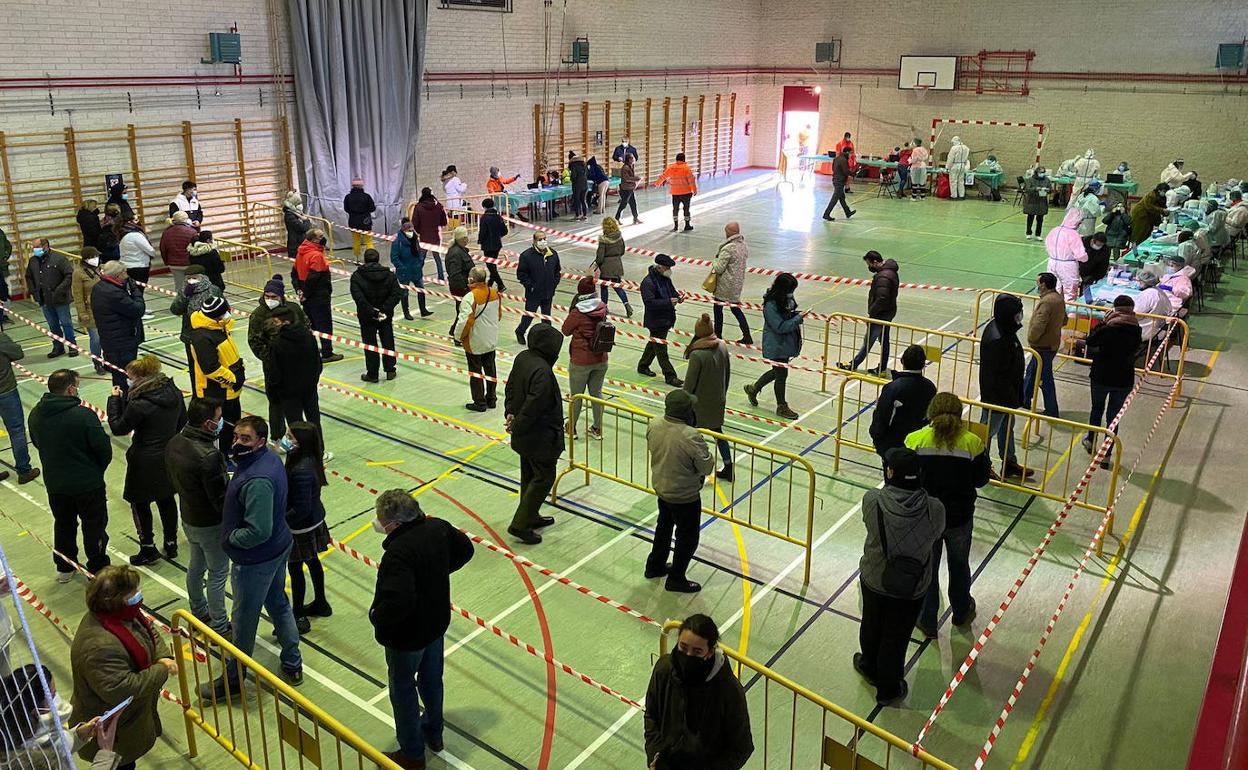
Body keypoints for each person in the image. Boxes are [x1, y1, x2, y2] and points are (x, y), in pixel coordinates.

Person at [198, 415, 303, 698]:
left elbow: (258, 530)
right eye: (236, 437)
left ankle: (233, 680)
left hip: (256, 558)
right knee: (278, 601)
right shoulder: (268, 458)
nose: (237, 443)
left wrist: (230, 538)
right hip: (279, 546)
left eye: (245, 439)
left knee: (244, 621)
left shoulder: (258, 480)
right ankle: (293, 661)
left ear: (259, 441)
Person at [370, 490, 473, 770]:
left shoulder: (398, 553)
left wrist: (376, 616)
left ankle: (412, 754)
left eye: (380, 518)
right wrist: (437, 575)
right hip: (436, 623)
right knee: (431, 680)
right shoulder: (438, 528)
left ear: (393, 523)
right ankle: (434, 733)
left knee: (403, 690)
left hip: (407, 636)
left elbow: (397, 602)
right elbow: (466, 550)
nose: (377, 522)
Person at [853, 447, 945, 706]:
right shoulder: (934, 509)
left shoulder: (872, 501)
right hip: (911, 586)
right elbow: (937, 534)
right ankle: (889, 688)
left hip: (874, 577)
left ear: (890, 472)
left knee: (871, 623)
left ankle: (869, 666)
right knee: (897, 636)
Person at [69, 566, 176, 768]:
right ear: (117, 600)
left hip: (131, 720)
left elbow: (148, 630)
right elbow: (122, 688)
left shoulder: (118, 615)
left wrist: (163, 656)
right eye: (133, 593)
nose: (138, 596)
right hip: (113, 731)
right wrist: (162, 669)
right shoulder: (100, 646)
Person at [907, 394, 991, 638]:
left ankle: (927, 619)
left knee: (928, 568)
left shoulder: (915, 440)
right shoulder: (972, 443)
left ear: (931, 412)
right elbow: (981, 480)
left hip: (926, 517)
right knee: (959, 564)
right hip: (959, 517)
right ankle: (962, 609)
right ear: (959, 413)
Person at [28, 370, 112, 582]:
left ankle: (65, 567)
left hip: (56, 483)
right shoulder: (83, 415)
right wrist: (94, 470)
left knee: (63, 524)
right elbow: (103, 449)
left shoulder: (36, 414)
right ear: (71, 389)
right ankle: (98, 566)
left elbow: (37, 443)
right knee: (94, 526)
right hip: (87, 484)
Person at [106, 355, 187, 566]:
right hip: (168, 453)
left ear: (141, 377)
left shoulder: (140, 403)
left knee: (140, 503)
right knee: (167, 499)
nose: (127, 381)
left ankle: (148, 547)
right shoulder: (173, 391)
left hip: (144, 458)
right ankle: (171, 543)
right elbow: (182, 421)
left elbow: (118, 427)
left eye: (130, 377)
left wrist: (114, 400)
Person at [644, 614, 753, 770]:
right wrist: (655, 756)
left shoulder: (728, 690)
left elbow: (742, 747)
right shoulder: (664, 669)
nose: (688, 656)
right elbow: (651, 715)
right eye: (683, 647)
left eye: (697, 652)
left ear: (709, 652)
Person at [165, 397, 232, 636]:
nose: (221, 421)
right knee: (217, 573)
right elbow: (219, 498)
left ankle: (198, 609)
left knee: (196, 565)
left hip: (188, 516)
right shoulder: (208, 456)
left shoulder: (174, 442)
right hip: (211, 523)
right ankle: (220, 625)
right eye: (217, 418)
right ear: (207, 424)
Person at [645, 391, 715, 594]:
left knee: (664, 527)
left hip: (662, 487)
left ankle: (655, 566)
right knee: (687, 537)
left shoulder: (654, 424)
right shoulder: (690, 435)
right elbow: (706, 466)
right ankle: (676, 578)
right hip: (684, 495)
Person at [505, 324, 565, 545]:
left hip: (525, 434)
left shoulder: (523, 358)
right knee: (544, 477)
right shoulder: (542, 371)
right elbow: (534, 405)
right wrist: (518, 423)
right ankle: (520, 524)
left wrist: (510, 413)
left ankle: (530, 515)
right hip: (539, 436)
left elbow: (510, 386)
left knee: (529, 475)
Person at [284, 421, 332, 633]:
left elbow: (301, 509)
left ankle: (298, 614)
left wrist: (281, 521)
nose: (286, 439)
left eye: (290, 436)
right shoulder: (308, 459)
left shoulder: (302, 469)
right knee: (312, 562)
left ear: (301, 442)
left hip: (302, 527)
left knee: (295, 569)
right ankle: (321, 602)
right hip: (313, 521)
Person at [1083, 295, 1141, 469]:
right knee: (1114, 418)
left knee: (1097, 409)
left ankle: (1091, 441)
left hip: (1102, 376)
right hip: (1123, 379)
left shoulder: (1108, 328)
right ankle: (1106, 455)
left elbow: (1090, 340)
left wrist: (1102, 323)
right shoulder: (1136, 330)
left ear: (1115, 309)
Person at [978, 294, 1033, 480]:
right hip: (997, 398)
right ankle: (980, 466)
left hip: (1007, 395)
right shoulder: (998, 339)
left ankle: (1009, 463)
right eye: (1017, 314)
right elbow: (997, 376)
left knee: (1007, 428)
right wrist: (1008, 397)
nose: (1020, 318)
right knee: (987, 433)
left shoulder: (1004, 331)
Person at [247, 275, 306, 439]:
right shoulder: (258, 315)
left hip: (295, 367)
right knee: (276, 404)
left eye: (274, 297)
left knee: (296, 403)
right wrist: (272, 358)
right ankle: (277, 436)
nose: (270, 300)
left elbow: (305, 330)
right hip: (273, 368)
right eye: (267, 296)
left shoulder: (294, 309)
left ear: (281, 296)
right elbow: (255, 342)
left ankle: (297, 435)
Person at [188, 294, 245, 455]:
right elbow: (210, 368)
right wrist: (233, 379)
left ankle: (230, 451)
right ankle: (222, 457)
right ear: (217, 316)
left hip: (230, 390)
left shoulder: (219, 327)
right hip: (217, 392)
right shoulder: (202, 337)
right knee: (222, 429)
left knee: (232, 424)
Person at [264, 305, 327, 449]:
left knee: (295, 425)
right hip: (309, 389)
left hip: (288, 394)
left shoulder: (277, 343)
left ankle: (301, 453)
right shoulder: (308, 336)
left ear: (285, 322)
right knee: (314, 422)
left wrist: (274, 392)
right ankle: (319, 451)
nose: (274, 325)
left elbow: (274, 371)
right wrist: (312, 381)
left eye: (276, 322)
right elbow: (317, 362)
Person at [744, 272, 803, 420]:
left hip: (785, 344)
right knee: (781, 374)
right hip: (776, 344)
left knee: (777, 372)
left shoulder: (784, 299)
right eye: (790, 290)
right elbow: (780, 327)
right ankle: (781, 406)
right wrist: (797, 320)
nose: (792, 294)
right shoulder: (770, 305)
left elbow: (787, 315)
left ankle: (754, 388)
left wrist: (794, 313)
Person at [562, 275, 609, 441]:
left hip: (581, 359)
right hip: (601, 357)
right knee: (596, 394)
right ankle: (597, 428)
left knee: (577, 395)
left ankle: (572, 428)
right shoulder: (603, 307)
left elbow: (565, 330)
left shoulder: (577, 312)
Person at [869, 345, 936, 461]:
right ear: (923, 364)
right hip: (918, 446)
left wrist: (878, 441)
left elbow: (881, 418)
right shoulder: (930, 387)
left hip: (893, 447)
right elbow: (930, 417)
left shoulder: (892, 388)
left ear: (902, 361)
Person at [840, 251, 899, 375]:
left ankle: (853, 365)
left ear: (875, 262)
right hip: (888, 312)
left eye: (869, 264)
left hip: (880, 314)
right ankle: (882, 368)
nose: (869, 267)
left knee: (869, 340)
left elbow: (882, 298)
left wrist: (872, 312)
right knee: (884, 340)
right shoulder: (890, 272)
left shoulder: (883, 277)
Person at [90, 260, 145, 393]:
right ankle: (126, 404)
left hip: (111, 340)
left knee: (118, 376)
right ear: (118, 275)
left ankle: (120, 402)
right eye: (125, 272)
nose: (127, 275)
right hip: (122, 342)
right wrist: (135, 291)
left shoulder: (99, 287)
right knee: (126, 376)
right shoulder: (114, 293)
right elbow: (138, 309)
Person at [350, 248, 403, 382]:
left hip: (367, 317)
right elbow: (396, 294)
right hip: (385, 315)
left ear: (365, 260)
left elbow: (359, 298)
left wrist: (373, 312)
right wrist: (384, 310)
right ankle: (390, 370)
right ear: (378, 259)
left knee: (370, 344)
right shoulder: (389, 275)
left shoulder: (357, 276)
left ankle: (372, 374)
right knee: (388, 341)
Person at [292, 228, 343, 362]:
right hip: (318, 296)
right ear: (314, 239)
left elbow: (294, 274)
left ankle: (312, 349)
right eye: (321, 236)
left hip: (305, 296)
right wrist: (306, 293)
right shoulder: (316, 256)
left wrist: (299, 291)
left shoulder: (300, 252)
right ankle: (327, 352)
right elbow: (314, 278)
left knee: (311, 324)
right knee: (324, 325)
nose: (323, 238)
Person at [1022, 272, 1065, 430]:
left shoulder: (1047, 302)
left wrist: (1032, 339)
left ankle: (1052, 410)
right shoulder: (1059, 298)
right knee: (1031, 371)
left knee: (1045, 379)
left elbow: (1039, 324)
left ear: (1044, 285)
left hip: (1042, 346)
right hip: (1052, 343)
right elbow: (1065, 319)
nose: (1037, 285)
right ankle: (1025, 399)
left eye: (1038, 283)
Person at [24, 238, 78, 358]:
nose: (34, 250)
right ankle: (58, 347)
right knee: (53, 325)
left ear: (45, 246)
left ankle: (72, 347)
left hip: (60, 299)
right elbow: (29, 276)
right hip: (44, 299)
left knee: (66, 323)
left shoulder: (59, 259)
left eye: (36, 247)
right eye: (33, 247)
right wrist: (33, 291)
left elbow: (69, 275)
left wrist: (59, 290)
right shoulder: (33, 261)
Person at [458, 266, 502, 412]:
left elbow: (465, 321)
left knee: (476, 372)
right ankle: (491, 399)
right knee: (491, 369)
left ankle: (479, 402)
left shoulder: (470, 298)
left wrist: (458, 337)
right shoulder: (495, 293)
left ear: (471, 279)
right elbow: (499, 315)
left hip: (475, 342)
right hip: (491, 339)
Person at [637, 254, 684, 387]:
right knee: (661, 351)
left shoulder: (665, 279)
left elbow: (672, 292)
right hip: (656, 321)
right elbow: (649, 302)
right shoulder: (648, 283)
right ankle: (670, 376)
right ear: (659, 267)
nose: (669, 269)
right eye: (667, 267)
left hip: (666, 318)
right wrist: (668, 302)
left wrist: (677, 297)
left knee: (653, 344)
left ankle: (643, 366)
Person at [0, 331, 39, 485]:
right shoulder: (1, 338)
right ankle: (24, 470)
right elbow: (17, 353)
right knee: (16, 431)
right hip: (5, 389)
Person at [707, 222, 752, 344]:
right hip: (737, 283)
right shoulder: (743, 246)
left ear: (728, 232)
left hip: (725, 285)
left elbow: (719, 268)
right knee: (736, 309)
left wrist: (715, 260)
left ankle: (718, 335)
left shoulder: (728, 248)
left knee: (718, 309)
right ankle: (747, 335)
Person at [514, 231, 561, 345]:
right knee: (529, 316)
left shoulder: (552, 254)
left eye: (544, 238)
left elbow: (557, 271)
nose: (543, 241)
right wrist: (531, 286)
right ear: (534, 241)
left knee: (546, 317)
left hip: (548, 292)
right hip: (533, 293)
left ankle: (546, 337)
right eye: (540, 239)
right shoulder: (526, 256)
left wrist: (554, 283)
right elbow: (521, 274)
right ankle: (520, 331)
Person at [71, 246, 107, 373]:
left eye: (96, 256)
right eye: (92, 257)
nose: (95, 259)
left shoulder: (101, 269)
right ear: (85, 259)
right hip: (90, 310)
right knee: (96, 339)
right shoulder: (78, 273)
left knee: (106, 337)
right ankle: (97, 362)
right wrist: (82, 312)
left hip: (106, 308)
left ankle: (108, 361)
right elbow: (77, 295)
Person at [392, 215, 432, 318]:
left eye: (412, 230)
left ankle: (423, 310)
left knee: (421, 289)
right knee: (404, 293)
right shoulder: (397, 242)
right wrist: (402, 267)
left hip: (416, 269)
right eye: (409, 230)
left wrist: (420, 262)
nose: (411, 232)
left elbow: (419, 252)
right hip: (404, 272)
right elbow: (394, 258)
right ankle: (406, 313)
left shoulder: (415, 239)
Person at [1045, 208, 1089, 301]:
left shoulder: (1054, 230)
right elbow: (1080, 255)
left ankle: (1054, 309)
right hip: (1068, 265)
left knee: (1053, 289)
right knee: (1070, 292)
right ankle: (1069, 312)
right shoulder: (1073, 234)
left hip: (1052, 262)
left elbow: (1047, 244)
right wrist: (1085, 258)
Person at [593, 216, 633, 316]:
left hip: (606, 267)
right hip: (617, 264)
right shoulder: (620, 237)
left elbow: (600, 257)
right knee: (618, 286)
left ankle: (604, 307)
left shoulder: (603, 240)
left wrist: (596, 264)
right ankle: (627, 304)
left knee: (604, 287)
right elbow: (622, 251)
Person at [115, 214, 155, 310]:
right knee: (138, 291)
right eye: (136, 220)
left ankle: (140, 308)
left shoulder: (123, 233)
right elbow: (150, 250)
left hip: (128, 265)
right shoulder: (135, 235)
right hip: (139, 266)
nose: (138, 222)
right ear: (130, 222)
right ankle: (139, 310)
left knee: (134, 290)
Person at [444, 226, 475, 342]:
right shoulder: (456, 253)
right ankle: (457, 334)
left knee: (462, 311)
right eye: (465, 238)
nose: (467, 240)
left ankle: (455, 331)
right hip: (460, 288)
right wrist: (465, 287)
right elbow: (455, 274)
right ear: (460, 239)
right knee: (463, 312)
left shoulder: (460, 250)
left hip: (463, 287)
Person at [411, 187, 448, 282]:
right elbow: (444, 222)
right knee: (437, 258)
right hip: (435, 236)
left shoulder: (418, 207)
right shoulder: (439, 206)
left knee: (421, 258)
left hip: (424, 236)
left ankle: (417, 275)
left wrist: (420, 231)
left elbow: (415, 223)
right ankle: (441, 277)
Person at [655, 152, 697, 232]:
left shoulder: (671, 168)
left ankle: (675, 226)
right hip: (686, 193)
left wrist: (657, 183)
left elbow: (663, 176)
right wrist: (694, 190)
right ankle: (687, 225)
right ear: (684, 159)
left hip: (675, 193)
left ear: (676, 159)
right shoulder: (686, 168)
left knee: (675, 209)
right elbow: (691, 180)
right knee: (686, 209)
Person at [158, 210, 197, 293]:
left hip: (173, 264)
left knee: (179, 286)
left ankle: (180, 303)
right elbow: (195, 249)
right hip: (188, 263)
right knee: (193, 286)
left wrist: (167, 262)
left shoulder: (166, 232)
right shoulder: (192, 232)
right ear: (186, 220)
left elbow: (162, 248)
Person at [475, 198, 508, 291]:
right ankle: (490, 283)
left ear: (484, 207)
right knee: (493, 265)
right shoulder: (498, 217)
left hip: (488, 245)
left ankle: (500, 284)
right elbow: (505, 231)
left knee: (490, 266)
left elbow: (483, 232)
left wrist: (480, 240)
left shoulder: (484, 218)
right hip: (497, 244)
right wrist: (498, 236)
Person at [821, 146, 857, 221]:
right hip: (839, 182)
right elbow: (846, 171)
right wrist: (853, 174)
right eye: (850, 153)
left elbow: (833, 169)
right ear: (847, 153)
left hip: (836, 180)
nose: (851, 155)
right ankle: (826, 214)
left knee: (842, 198)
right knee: (834, 199)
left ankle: (848, 212)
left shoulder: (837, 158)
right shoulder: (843, 160)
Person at [344, 178, 377, 256]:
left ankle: (357, 259)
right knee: (369, 241)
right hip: (366, 221)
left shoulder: (348, 197)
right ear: (361, 186)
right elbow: (373, 208)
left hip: (353, 221)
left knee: (356, 241)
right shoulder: (367, 196)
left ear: (352, 186)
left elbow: (346, 209)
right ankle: (371, 258)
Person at [1079, 231, 1112, 300]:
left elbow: (1103, 266)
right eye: (1098, 244)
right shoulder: (1082, 242)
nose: (1098, 247)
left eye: (1101, 245)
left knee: (1087, 289)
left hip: (1092, 271)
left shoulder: (1105, 250)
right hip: (1077, 267)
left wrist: (1095, 277)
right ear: (1092, 241)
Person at [1023, 166, 1051, 240]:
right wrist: (1035, 189)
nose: (1042, 174)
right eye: (1041, 172)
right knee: (1030, 218)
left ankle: (1038, 234)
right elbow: (1027, 189)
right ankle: (1028, 233)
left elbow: (1050, 189)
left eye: (1043, 172)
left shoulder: (1047, 180)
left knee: (1040, 219)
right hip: (1032, 201)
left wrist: (1047, 190)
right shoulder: (1030, 180)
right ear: (1037, 172)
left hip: (1042, 202)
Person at [615, 154, 642, 224]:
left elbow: (631, 176)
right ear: (628, 159)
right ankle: (617, 218)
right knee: (623, 204)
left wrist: (636, 178)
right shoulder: (625, 168)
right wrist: (637, 179)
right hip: (625, 189)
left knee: (633, 203)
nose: (633, 159)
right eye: (632, 158)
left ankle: (635, 218)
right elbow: (627, 178)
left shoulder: (631, 166)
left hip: (630, 188)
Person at [283, 190, 310, 257]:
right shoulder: (290, 216)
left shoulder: (295, 214)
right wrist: (306, 220)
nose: (300, 206)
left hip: (299, 244)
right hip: (295, 246)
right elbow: (303, 228)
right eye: (298, 204)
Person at [567, 151, 589, 221]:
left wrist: (571, 178)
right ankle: (585, 215)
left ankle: (577, 215)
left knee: (577, 200)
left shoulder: (574, 165)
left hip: (577, 185)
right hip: (585, 184)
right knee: (583, 200)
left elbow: (573, 176)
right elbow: (587, 174)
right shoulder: (584, 164)